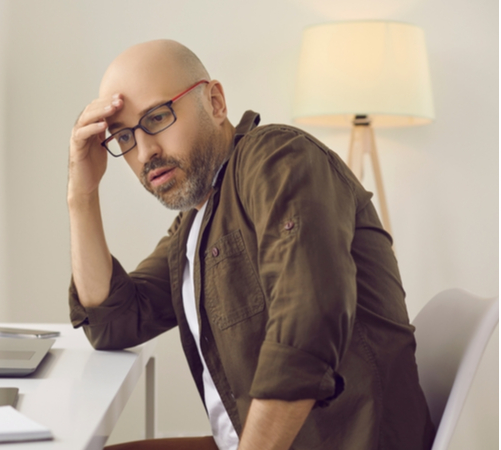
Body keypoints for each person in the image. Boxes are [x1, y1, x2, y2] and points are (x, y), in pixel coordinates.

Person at [66, 39, 435, 450]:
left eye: (157, 117)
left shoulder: (279, 159)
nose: (145, 152)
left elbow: (306, 325)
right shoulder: (195, 221)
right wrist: (82, 195)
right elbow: (114, 322)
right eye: (124, 137)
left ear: (216, 101)